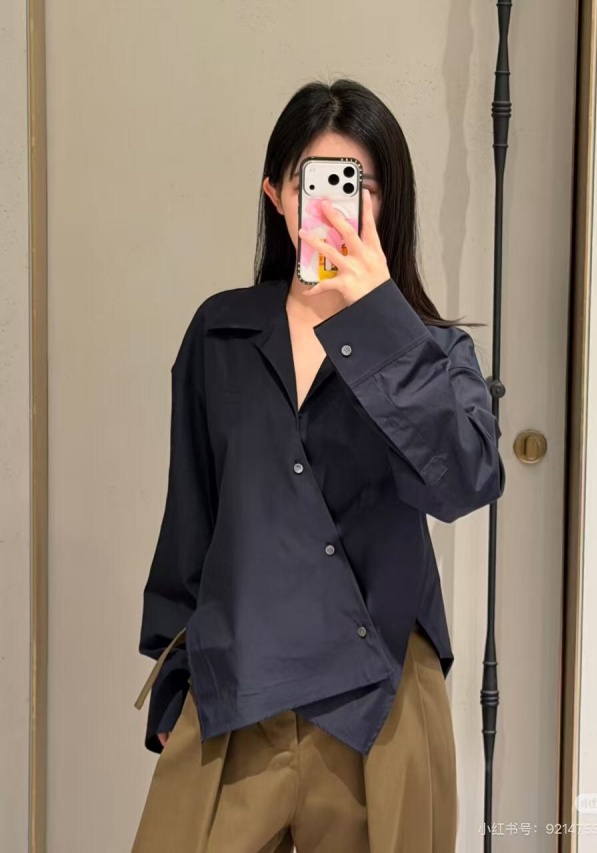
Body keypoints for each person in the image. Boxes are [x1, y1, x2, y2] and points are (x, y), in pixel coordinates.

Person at [131, 77, 506, 853]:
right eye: (316, 181)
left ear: (387, 201)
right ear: (277, 193)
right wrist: (173, 682)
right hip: (237, 686)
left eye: (358, 183)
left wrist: (380, 318)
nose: (335, 202)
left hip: (382, 700)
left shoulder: (433, 352)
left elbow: (463, 481)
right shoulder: (221, 335)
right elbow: (192, 514)